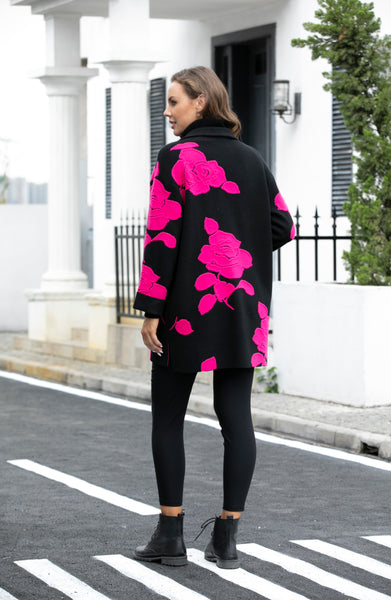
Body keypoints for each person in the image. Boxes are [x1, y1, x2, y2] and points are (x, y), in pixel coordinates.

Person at [133, 66, 294, 569]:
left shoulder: (176, 158)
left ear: (200, 101)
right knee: (236, 418)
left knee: (168, 418)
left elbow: (163, 237)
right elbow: (283, 226)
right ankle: (226, 539)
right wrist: (240, 247)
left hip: (186, 306)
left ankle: (170, 535)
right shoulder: (252, 159)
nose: (168, 111)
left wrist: (151, 309)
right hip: (243, 306)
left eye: (174, 101)